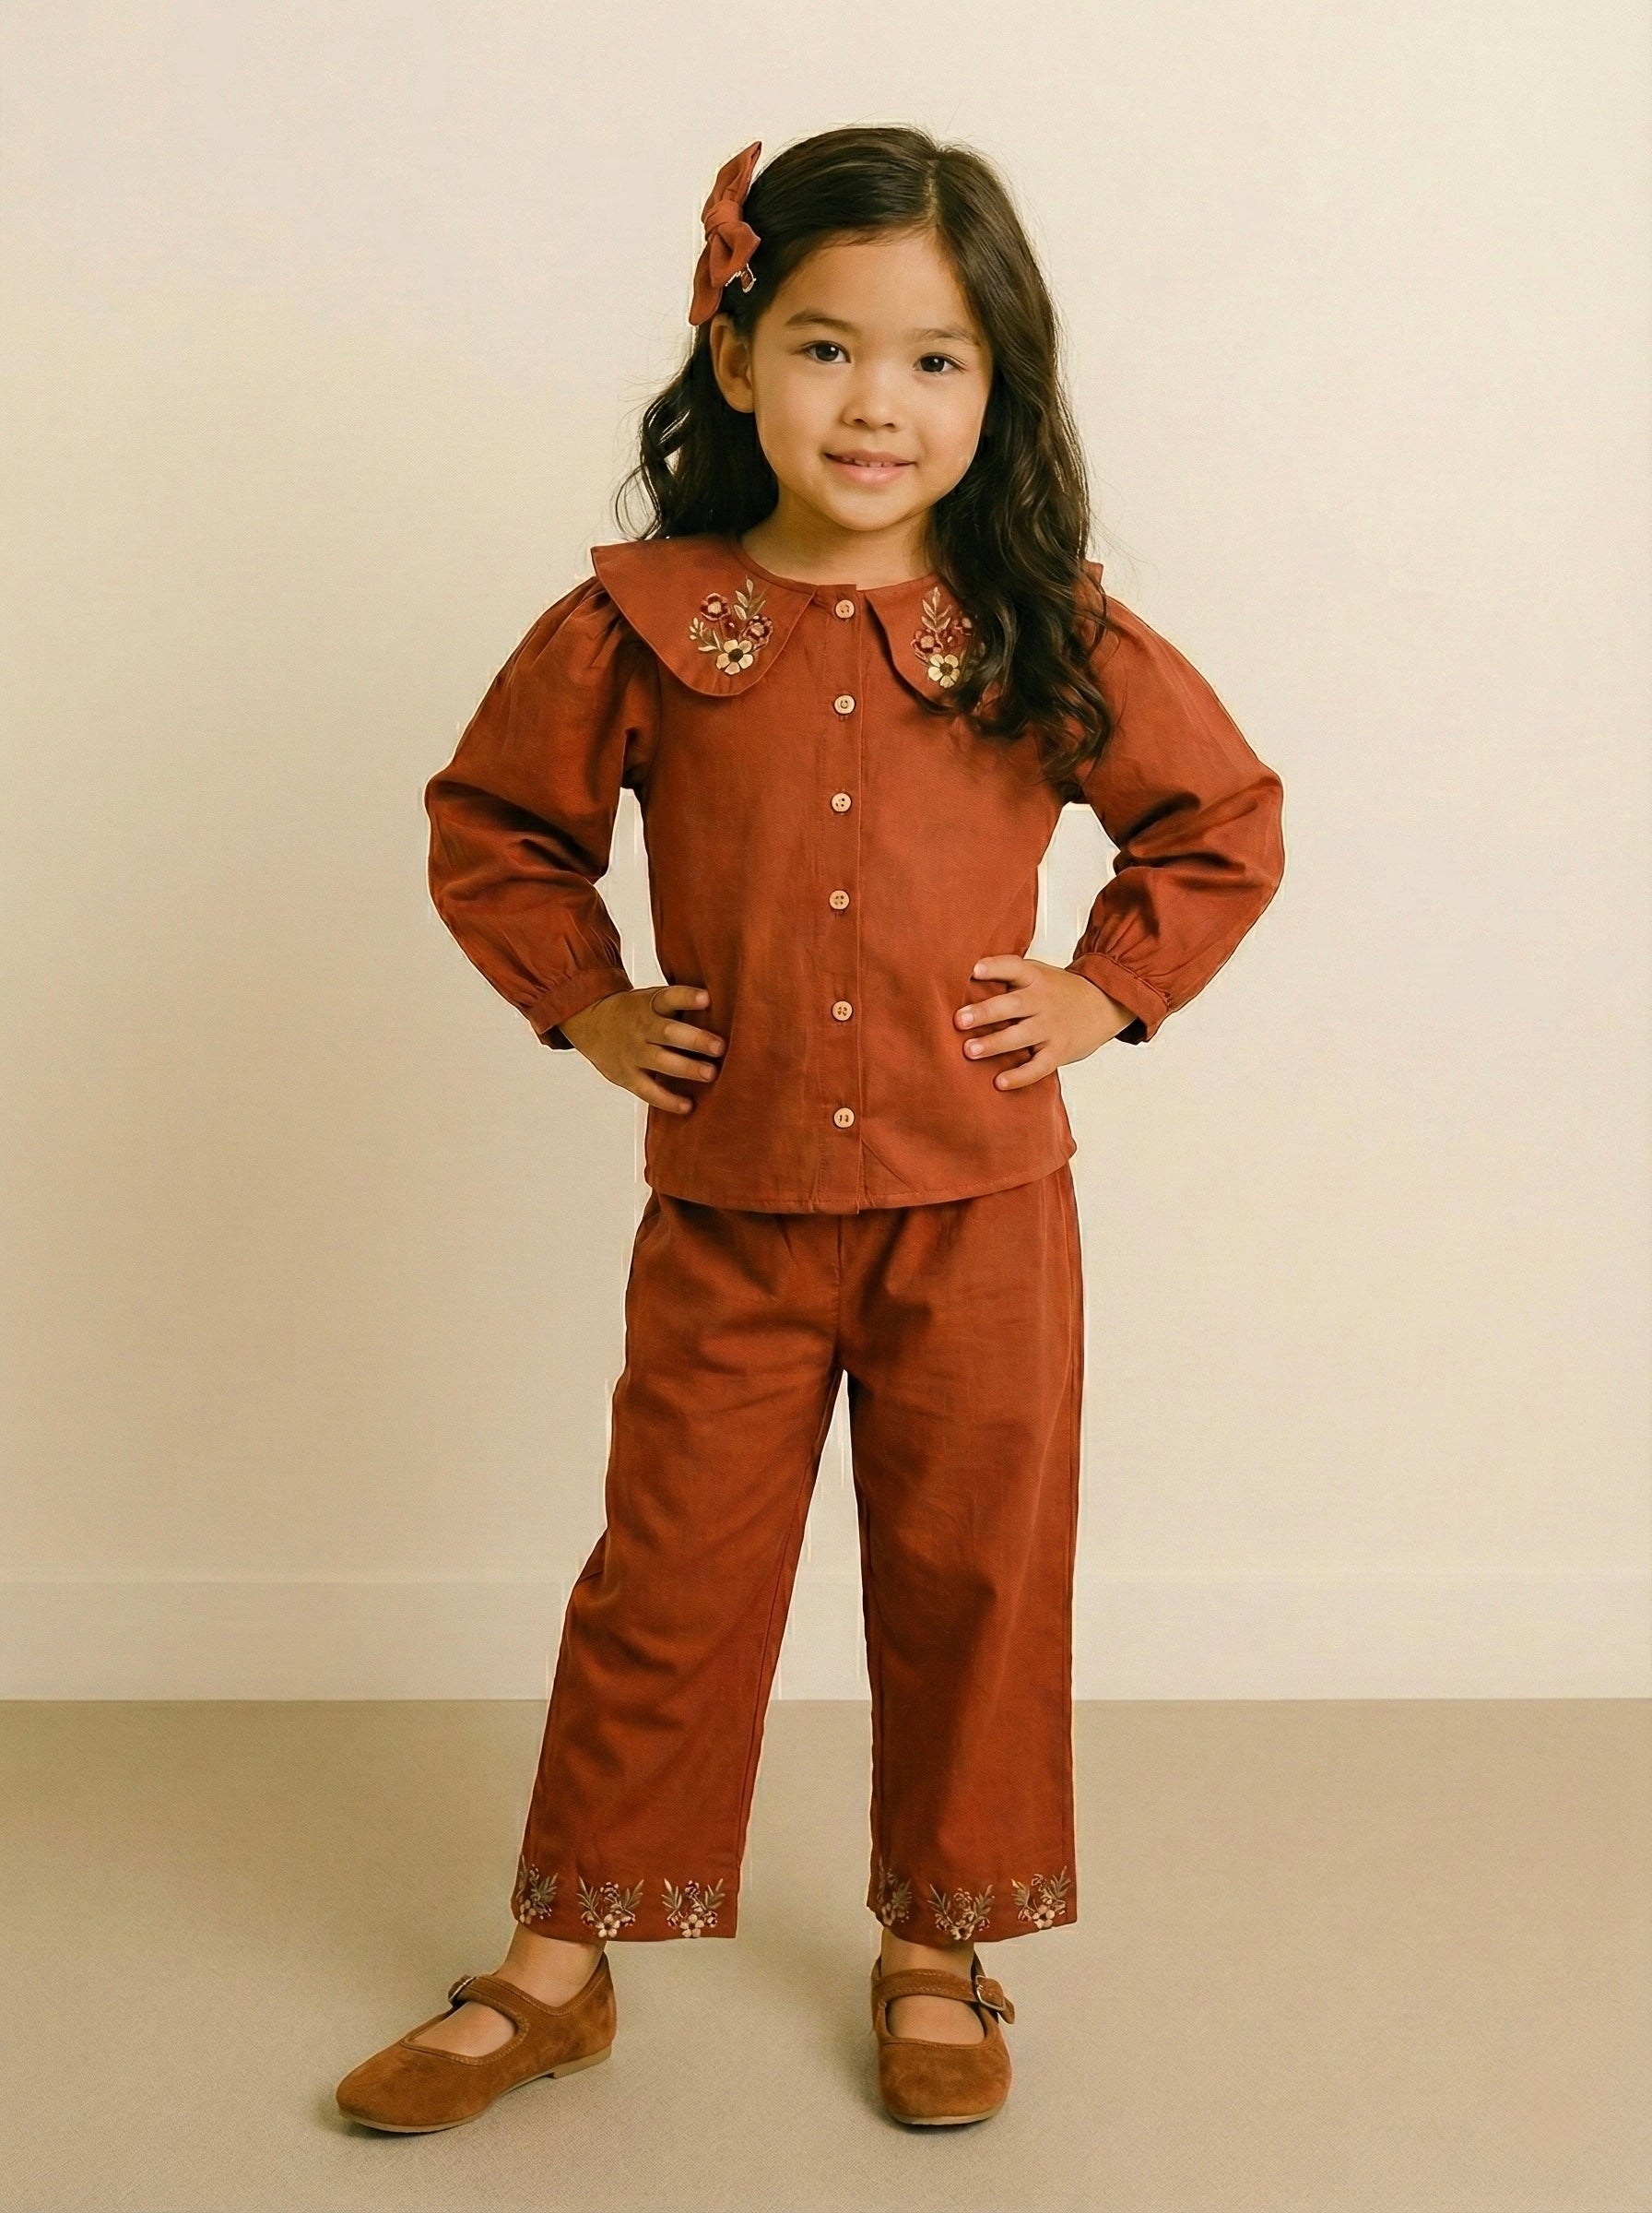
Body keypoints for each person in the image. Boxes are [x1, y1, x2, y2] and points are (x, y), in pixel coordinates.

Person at [336, 124, 1285, 2136]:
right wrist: (584, 1000)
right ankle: (558, 1962)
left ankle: (939, 1946)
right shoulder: (638, 621)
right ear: (737, 353)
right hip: (731, 1210)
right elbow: (494, 826)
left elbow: (1218, 822)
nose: (876, 402)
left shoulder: (1041, 627)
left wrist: (1105, 989)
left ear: (997, 386)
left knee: (971, 1575)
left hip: (985, 1210)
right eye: (827, 346)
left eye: (935, 360)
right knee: (666, 1581)